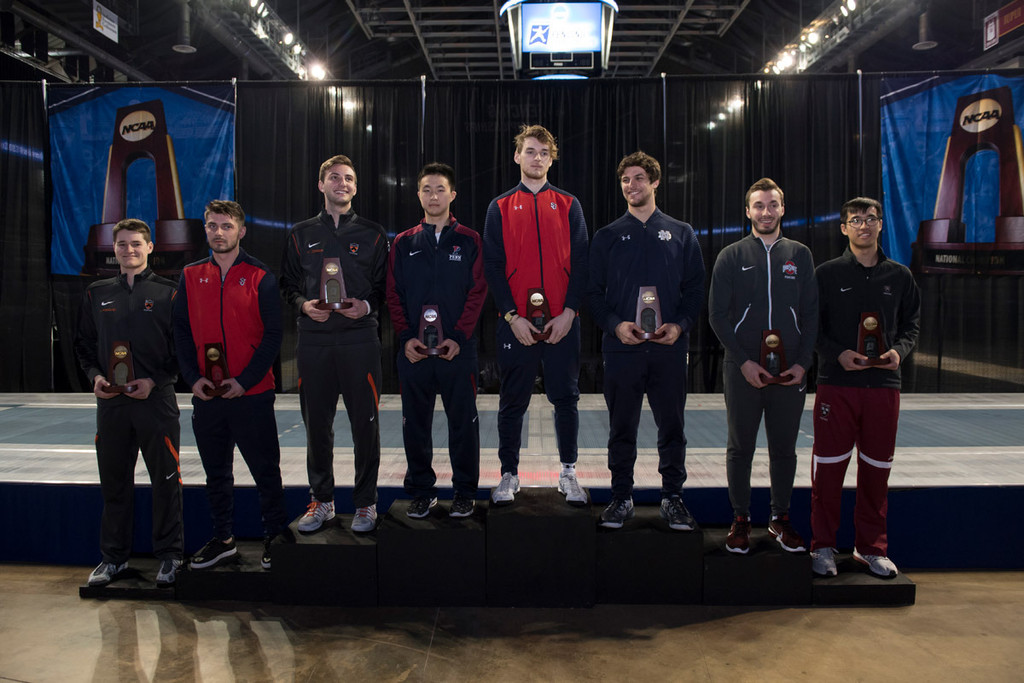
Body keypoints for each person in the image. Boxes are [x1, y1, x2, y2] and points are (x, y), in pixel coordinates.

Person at [587, 151, 705, 529]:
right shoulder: (607, 236)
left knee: (672, 428)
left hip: (669, 349)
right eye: (625, 180)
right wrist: (615, 326)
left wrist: (680, 325)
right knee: (622, 428)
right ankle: (621, 497)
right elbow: (592, 294)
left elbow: (695, 289)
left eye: (639, 178)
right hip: (622, 349)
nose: (631, 185)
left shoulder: (681, 232)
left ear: (655, 182)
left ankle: (673, 497)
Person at [173, 200, 289, 570]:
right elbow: (180, 332)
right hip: (208, 396)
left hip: (252, 395)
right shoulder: (190, 275)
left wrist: (245, 381)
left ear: (241, 231)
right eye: (212, 226)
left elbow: (273, 336)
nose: (218, 232)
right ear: (205, 230)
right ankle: (223, 540)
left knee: (266, 472)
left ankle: (275, 538)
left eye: (226, 226)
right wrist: (193, 378)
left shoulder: (260, 275)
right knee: (216, 474)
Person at [810, 196, 921, 578]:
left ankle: (870, 548)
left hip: (883, 386)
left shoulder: (900, 276)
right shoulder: (826, 274)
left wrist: (898, 352)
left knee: (876, 470)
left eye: (870, 218)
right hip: (837, 385)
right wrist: (836, 354)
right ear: (844, 228)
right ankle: (822, 546)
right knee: (828, 471)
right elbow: (811, 327)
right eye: (856, 220)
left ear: (880, 225)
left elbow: (912, 324)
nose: (864, 225)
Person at [708, 177, 818, 554]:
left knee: (784, 449)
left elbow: (811, 314)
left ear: (782, 209)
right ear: (748, 211)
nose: (766, 212)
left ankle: (779, 518)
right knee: (740, 448)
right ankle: (740, 520)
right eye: (759, 205)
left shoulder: (800, 254)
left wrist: (802, 364)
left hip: (790, 373)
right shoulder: (731, 256)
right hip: (743, 370)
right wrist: (743, 362)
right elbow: (717, 316)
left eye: (772, 204)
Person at [280, 155, 388, 533]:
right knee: (317, 427)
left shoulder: (373, 234)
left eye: (349, 178)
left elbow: (385, 288)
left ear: (355, 187)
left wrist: (366, 306)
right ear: (321, 184)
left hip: (360, 341)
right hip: (315, 342)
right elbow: (287, 285)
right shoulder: (300, 233)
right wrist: (304, 305)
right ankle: (322, 500)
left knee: (366, 427)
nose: (342, 183)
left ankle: (366, 503)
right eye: (335, 177)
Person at [482, 124, 589, 506]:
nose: (537, 158)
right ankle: (509, 475)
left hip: (562, 324)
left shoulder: (569, 204)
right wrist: (512, 316)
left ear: (551, 159)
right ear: (517, 156)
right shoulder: (499, 206)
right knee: (512, 402)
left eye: (544, 152)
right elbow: (493, 267)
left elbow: (582, 263)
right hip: (517, 325)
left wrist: (570, 313)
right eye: (530, 151)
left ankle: (569, 473)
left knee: (566, 399)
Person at [74, 218, 183, 587]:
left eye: (136, 244)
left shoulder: (170, 293)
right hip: (113, 405)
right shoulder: (96, 293)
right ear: (114, 249)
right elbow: (84, 345)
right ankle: (113, 559)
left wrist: (155, 381)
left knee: (166, 482)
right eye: (122, 244)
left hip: (156, 402)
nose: (129, 250)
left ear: (150, 247)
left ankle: (170, 556)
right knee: (114, 484)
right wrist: (96, 378)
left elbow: (181, 350)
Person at [386, 162, 487, 518]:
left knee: (463, 424)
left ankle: (464, 492)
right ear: (418, 195)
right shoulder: (403, 242)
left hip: (457, 352)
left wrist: (458, 337)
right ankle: (422, 491)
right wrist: (405, 338)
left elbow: (478, 292)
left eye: (440, 189)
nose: (433, 196)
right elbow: (393, 294)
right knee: (415, 425)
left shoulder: (470, 240)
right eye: (426, 189)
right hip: (414, 352)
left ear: (452, 194)